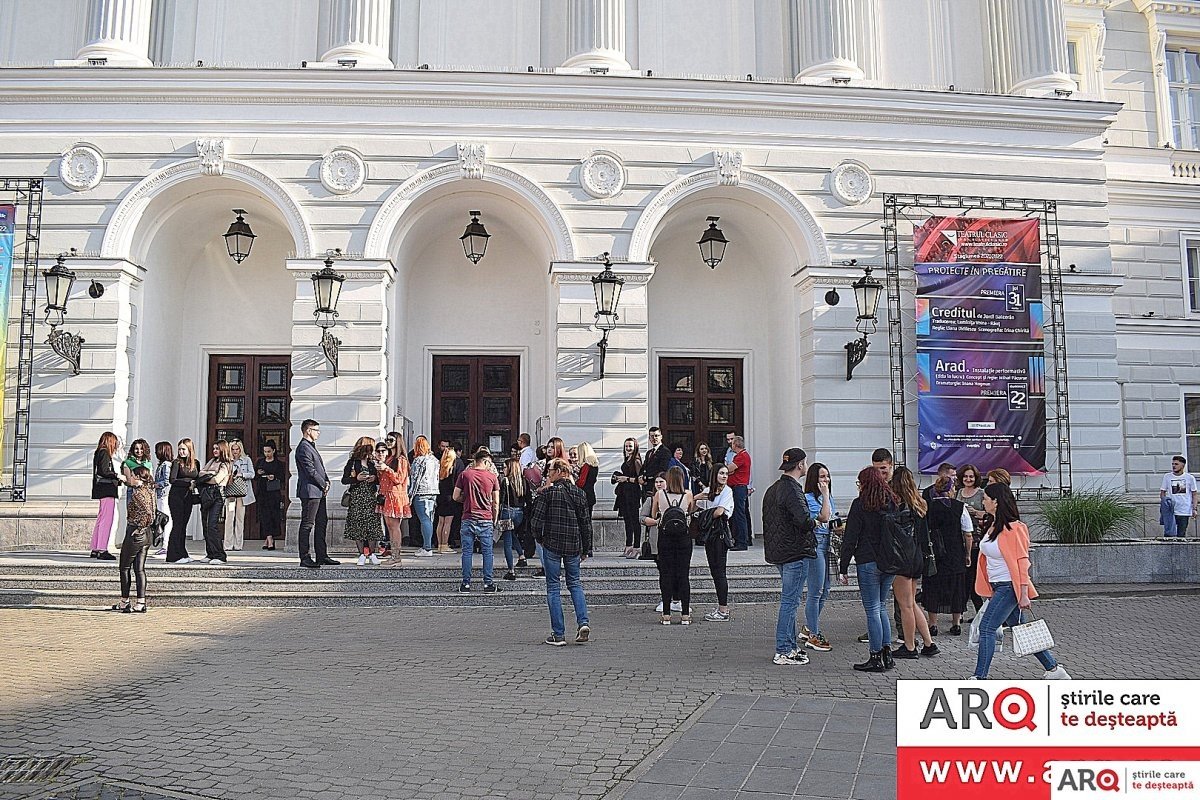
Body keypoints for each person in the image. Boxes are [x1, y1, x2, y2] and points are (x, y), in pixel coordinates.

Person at [973, 482, 1071, 680]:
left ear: (996, 502)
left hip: (1009, 587)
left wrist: (1023, 593)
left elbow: (1022, 562)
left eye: (985, 499)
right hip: (998, 586)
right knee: (1021, 630)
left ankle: (979, 678)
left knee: (987, 628)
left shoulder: (1015, 528)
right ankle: (1054, 670)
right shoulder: (993, 525)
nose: (982, 502)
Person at [838, 466, 901, 673]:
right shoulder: (892, 502)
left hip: (868, 561)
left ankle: (875, 656)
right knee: (882, 606)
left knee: (873, 608)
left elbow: (850, 538)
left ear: (864, 483)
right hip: (889, 561)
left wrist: (843, 566)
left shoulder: (860, 504)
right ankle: (887, 654)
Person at [530, 458, 592, 646]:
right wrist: (586, 548)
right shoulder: (580, 493)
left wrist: (540, 539)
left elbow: (536, 521)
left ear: (559, 471)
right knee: (575, 583)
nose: (548, 475)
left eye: (549, 471)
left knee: (553, 587)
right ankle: (583, 622)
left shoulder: (547, 494)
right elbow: (586, 524)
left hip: (552, 544)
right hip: (573, 545)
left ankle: (558, 634)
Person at [763, 448, 816, 666]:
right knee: (790, 602)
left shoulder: (773, 489)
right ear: (800, 465)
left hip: (780, 551)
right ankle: (783, 650)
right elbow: (804, 521)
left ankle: (791, 647)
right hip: (795, 551)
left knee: (790, 601)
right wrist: (817, 522)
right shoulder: (793, 490)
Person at [889, 467, 939, 659]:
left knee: (905, 606)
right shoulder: (919, 504)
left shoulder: (898, 506)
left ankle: (909, 646)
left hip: (902, 559)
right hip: (918, 557)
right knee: (911, 603)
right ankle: (929, 643)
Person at [922, 472, 973, 636]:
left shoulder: (927, 507)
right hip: (955, 552)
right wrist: (968, 554)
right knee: (957, 587)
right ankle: (956, 623)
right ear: (951, 490)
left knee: (933, 586)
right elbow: (968, 534)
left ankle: (933, 624)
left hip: (934, 553)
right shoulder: (960, 507)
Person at [651, 466, 695, 625]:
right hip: (683, 538)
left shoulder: (659, 494)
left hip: (665, 538)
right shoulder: (688, 495)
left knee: (666, 574)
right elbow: (690, 511)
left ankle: (666, 614)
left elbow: (654, 514)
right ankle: (685, 614)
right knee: (683, 574)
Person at [453, 448, 501, 593]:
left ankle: (466, 584)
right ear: (485, 461)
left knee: (467, 552)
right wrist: (495, 518)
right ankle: (488, 584)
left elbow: (455, 496)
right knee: (487, 552)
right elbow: (496, 502)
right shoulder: (492, 477)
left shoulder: (465, 475)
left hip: (468, 517)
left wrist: (467, 499)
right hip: (485, 518)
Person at [801, 462, 837, 652]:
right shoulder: (808, 498)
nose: (826, 480)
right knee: (816, 590)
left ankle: (809, 625)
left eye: (827, 476)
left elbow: (833, 518)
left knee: (827, 589)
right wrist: (824, 496)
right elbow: (823, 517)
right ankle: (813, 633)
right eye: (822, 477)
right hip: (816, 545)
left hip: (828, 545)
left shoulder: (829, 496)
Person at [112, 465, 156, 613]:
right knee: (139, 569)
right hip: (147, 535)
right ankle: (140, 602)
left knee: (124, 567)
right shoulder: (149, 490)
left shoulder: (138, 494)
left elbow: (148, 513)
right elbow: (153, 513)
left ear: (137, 477)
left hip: (136, 533)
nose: (129, 478)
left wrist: (139, 528)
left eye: (131, 475)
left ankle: (124, 601)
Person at [295, 419, 338, 569]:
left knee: (322, 522)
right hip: (310, 491)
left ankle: (322, 555)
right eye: (316, 430)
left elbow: (319, 468)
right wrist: (323, 483)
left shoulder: (311, 447)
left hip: (318, 491)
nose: (318, 433)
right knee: (307, 524)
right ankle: (305, 557)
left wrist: (326, 480)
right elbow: (310, 470)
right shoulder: (303, 448)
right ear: (308, 430)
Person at [696, 463, 734, 621]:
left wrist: (706, 514)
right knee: (714, 571)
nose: (724, 476)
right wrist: (698, 497)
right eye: (721, 473)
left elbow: (720, 512)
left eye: (726, 473)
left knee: (720, 572)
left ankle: (723, 609)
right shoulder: (708, 490)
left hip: (719, 534)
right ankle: (721, 607)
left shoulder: (728, 491)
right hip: (709, 535)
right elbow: (692, 506)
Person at [342, 437, 382, 566]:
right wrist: (356, 479)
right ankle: (361, 554)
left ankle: (371, 553)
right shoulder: (353, 462)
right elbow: (344, 479)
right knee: (358, 525)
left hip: (370, 497)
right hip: (357, 496)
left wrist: (374, 478)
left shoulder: (372, 462)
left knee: (372, 525)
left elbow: (379, 480)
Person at [957, 464, 986, 616]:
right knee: (962, 578)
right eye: (966, 476)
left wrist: (976, 512)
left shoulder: (981, 493)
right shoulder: (959, 493)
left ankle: (979, 611)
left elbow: (989, 513)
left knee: (972, 577)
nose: (968, 479)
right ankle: (960, 611)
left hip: (976, 538)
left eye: (971, 476)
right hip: (960, 539)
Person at [377, 435, 412, 562]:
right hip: (386, 494)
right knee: (389, 526)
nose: (388, 442)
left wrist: (386, 469)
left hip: (395, 495)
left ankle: (396, 556)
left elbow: (399, 479)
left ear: (398, 442)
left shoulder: (401, 459)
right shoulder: (389, 458)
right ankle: (393, 554)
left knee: (394, 526)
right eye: (387, 440)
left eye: (391, 440)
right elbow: (383, 479)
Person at [197, 441, 232, 565]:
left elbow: (217, 480)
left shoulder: (225, 464)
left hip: (217, 496)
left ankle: (220, 555)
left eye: (217, 448)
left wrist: (207, 477)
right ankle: (210, 553)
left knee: (212, 525)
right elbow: (200, 472)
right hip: (207, 495)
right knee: (205, 525)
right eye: (214, 448)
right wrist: (210, 474)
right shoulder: (212, 461)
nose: (215, 451)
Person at [166, 438, 200, 564]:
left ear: (190, 449)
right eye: (179, 449)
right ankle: (173, 555)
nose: (181, 452)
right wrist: (188, 482)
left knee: (183, 526)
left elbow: (197, 478)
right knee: (178, 525)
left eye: (183, 449)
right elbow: (172, 480)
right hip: (176, 496)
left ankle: (182, 552)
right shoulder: (176, 463)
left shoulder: (195, 463)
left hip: (188, 497)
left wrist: (195, 484)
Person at [90, 431, 122, 560]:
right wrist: (117, 476)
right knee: (106, 520)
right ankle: (102, 548)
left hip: (101, 489)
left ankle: (96, 547)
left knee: (101, 518)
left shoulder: (99, 452)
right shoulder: (104, 453)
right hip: (107, 490)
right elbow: (104, 471)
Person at [223, 440, 256, 552]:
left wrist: (242, 475)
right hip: (231, 493)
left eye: (237, 449)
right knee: (229, 517)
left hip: (242, 493)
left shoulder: (246, 460)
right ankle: (227, 544)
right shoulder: (227, 461)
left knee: (240, 518)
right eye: (233, 449)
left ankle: (238, 544)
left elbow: (252, 474)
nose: (235, 451)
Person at [408, 436, 440, 557]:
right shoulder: (435, 460)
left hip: (421, 492)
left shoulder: (418, 460)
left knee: (424, 520)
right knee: (429, 520)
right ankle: (427, 545)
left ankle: (427, 547)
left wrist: (410, 495)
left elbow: (415, 479)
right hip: (433, 492)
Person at [612, 438, 643, 559]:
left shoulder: (636, 460)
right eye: (626, 446)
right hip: (624, 493)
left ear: (635, 447)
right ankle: (628, 546)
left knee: (634, 521)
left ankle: (636, 547)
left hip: (633, 493)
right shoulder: (628, 459)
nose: (628, 448)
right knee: (627, 521)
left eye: (630, 446)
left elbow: (640, 479)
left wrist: (626, 479)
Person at [254, 442, 285, 550]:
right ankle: (269, 539)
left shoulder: (278, 464)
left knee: (273, 516)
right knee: (264, 516)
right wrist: (258, 472)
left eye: (269, 451)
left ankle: (269, 539)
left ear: (274, 451)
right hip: (262, 493)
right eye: (265, 451)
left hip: (273, 492)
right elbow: (255, 476)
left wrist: (274, 476)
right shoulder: (260, 462)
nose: (267, 454)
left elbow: (282, 477)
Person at [435, 444, 464, 554]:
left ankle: (439, 544)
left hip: (441, 495)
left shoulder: (441, 465)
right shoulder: (456, 464)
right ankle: (445, 545)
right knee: (448, 522)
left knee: (440, 521)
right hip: (450, 496)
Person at [1161, 456, 1198, 539]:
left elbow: (1194, 494)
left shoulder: (1190, 478)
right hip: (1171, 510)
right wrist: (1164, 505)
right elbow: (1162, 492)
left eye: (1176, 464)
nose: (1174, 466)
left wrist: (1194, 509)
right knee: (1169, 534)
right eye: (1173, 464)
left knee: (1181, 534)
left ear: (1182, 465)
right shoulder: (1167, 477)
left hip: (1184, 510)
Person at [726, 435, 752, 550]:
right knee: (739, 514)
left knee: (739, 515)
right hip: (739, 487)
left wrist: (726, 469)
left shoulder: (741, 456)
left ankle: (742, 542)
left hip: (739, 488)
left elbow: (729, 469)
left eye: (732, 443)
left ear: (735, 445)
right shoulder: (742, 455)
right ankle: (740, 540)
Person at [151, 441, 173, 557]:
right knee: (162, 520)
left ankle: (166, 545)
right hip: (161, 495)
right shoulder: (162, 464)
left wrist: (155, 485)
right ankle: (164, 545)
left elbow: (166, 482)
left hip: (164, 495)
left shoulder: (166, 465)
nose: (156, 452)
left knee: (165, 520)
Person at [638, 427, 672, 499]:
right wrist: (640, 476)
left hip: (656, 487)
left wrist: (646, 478)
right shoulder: (649, 453)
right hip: (645, 488)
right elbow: (644, 467)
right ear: (649, 438)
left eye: (656, 435)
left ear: (661, 437)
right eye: (652, 436)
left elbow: (663, 469)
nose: (654, 438)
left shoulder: (665, 452)